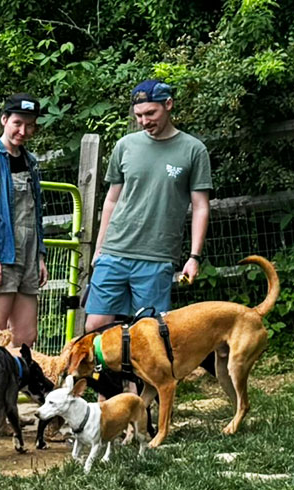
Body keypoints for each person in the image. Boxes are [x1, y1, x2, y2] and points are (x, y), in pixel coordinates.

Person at [85, 79, 212, 331]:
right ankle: (111, 372)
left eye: (150, 113)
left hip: (157, 255)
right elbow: (111, 200)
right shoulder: (125, 146)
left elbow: (200, 206)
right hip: (115, 250)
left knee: (149, 331)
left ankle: (140, 373)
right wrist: (99, 250)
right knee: (95, 327)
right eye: (139, 115)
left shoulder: (193, 150)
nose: (144, 121)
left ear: (168, 105)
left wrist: (194, 257)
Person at [0, 95, 48, 350]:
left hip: (27, 257)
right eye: (17, 123)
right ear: (4, 120)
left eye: (29, 125)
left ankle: (12, 390)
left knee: (26, 336)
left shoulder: (31, 162)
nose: (23, 131)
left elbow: (35, 214)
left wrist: (40, 257)